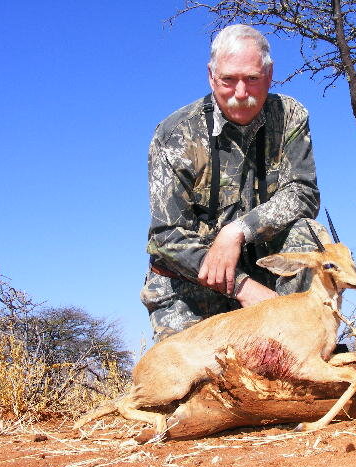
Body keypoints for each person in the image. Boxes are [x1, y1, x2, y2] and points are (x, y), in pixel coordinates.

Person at [141, 24, 329, 342]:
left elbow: (303, 192)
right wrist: (243, 286)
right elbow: (166, 237)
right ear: (212, 76)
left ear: (269, 76)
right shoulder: (174, 133)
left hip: (266, 274)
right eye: (228, 80)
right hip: (192, 287)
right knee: (197, 385)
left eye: (252, 79)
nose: (241, 93)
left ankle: (299, 340)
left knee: (308, 234)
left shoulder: (290, 116)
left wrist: (238, 231)